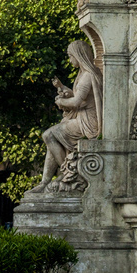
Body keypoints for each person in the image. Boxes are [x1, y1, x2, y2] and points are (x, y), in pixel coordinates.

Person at [31, 40, 102, 193]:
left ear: (78, 55)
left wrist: (61, 101)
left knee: (49, 135)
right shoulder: (86, 73)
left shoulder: (87, 75)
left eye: (71, 56)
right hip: (83, 117)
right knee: (52, 139)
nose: (70, 60)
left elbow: (76, 102)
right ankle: (45, 181)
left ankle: (71, 173)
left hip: (88, 123)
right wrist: (62, 89)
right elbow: (79, 96)